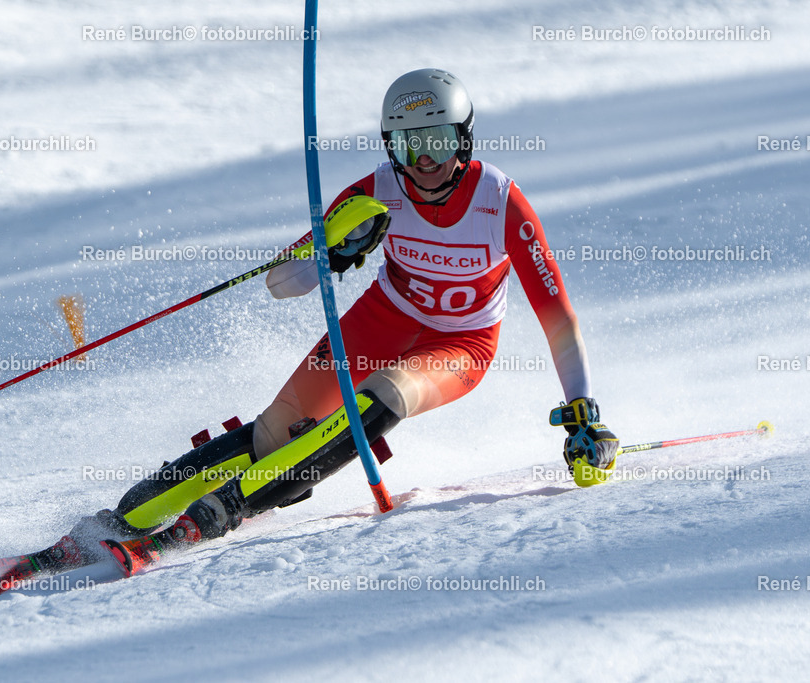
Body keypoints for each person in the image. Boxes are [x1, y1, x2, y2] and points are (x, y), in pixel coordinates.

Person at [66, 68, 619, 564]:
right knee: (274, 435)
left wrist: (582, 412)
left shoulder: (500, 202)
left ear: (464, 138)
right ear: (390, 145)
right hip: (381, 319)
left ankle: (222, 511)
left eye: (437, 142)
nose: (423, 161)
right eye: (408, 146)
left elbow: (558, 318)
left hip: (462, 343)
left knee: (388, 391)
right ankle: (123, 519)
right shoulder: (374, 193)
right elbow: (281, 285)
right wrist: (330, 253)